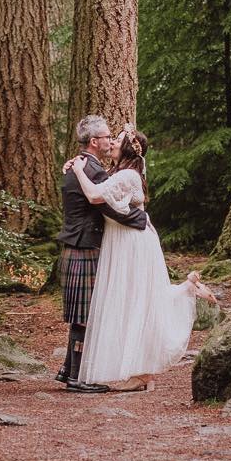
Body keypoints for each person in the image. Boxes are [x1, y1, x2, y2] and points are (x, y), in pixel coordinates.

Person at [70, 127, 211, 388]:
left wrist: (78, 170)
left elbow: (94, 195)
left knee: (137, 301)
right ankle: (140, 371)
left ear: (127, 149)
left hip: (131, 243)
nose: (112, 142)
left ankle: (143, 373)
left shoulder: (128, 176)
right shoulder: (118, 173)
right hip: (121, 240)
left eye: (117, 140)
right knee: (131, 300)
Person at [56, 114, 150, 392]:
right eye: (108, 136)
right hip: (85, 245)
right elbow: (110, 208)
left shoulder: (85, 165)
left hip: (78, 244)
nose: (110, 140)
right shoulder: (92, 170)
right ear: (95, 141)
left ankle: (69, 370)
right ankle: (76, 377)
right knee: (86, 315)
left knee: (82, 314)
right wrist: (140, 219)